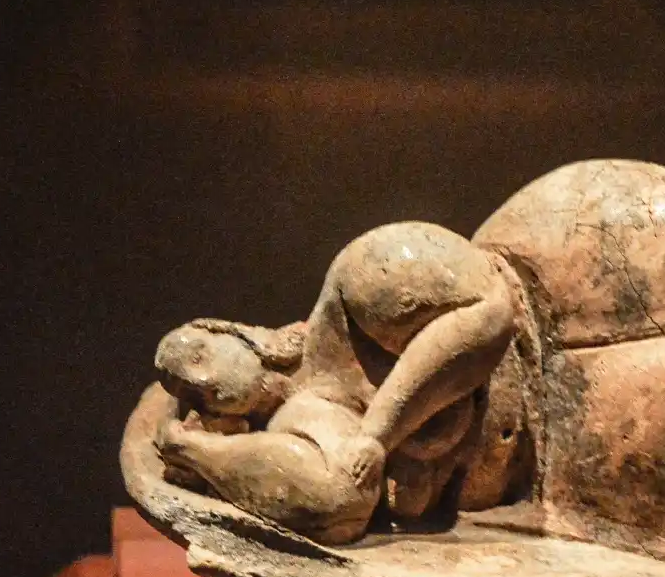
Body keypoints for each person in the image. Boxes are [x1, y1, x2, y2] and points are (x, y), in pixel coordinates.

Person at [154, 221, 516, 543]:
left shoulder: (351, 289)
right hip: (521, 486)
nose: (206, 387)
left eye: (200, 357)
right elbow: (336, 498)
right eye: (192, 395)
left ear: (232, 331)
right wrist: (194, 450)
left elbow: (489, 310)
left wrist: (379, 431)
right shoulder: (302, 423)